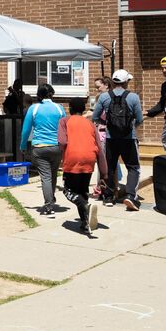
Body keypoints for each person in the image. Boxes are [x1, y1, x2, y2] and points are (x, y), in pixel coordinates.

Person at [93, 69, 144, 210]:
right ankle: (130, 196)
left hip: (110, 138)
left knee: (109, 167)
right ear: (126, 82)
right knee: (133, 167)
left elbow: (95, 116)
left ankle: (108, 197)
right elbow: (139, 119)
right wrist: (132, 127)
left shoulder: (104, 97)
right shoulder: (133, 97)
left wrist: (107, 124)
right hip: (128, 138)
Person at [21, 84, 66, 213]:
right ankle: (51, 198)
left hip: (39, 147)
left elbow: (26, 130)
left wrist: (23, 145)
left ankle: (48, 205)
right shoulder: (59, 108)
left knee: (45, 176)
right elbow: (64, 129)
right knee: (52, 174)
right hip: (56, 147)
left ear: (38, 95)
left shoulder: (33, 109)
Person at [59, 97, 100, 235]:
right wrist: (104, 171)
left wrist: (61, 157)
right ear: (83, 109)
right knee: (82, 191)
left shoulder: (64, 121)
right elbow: (99, 146)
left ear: (70, 108)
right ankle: (85, 223)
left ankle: (84, 205)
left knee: (68, 191)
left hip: (73, 158)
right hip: (89, 159)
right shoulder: (90, 124)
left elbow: (62, 141)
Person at [89, 76, 112, 200]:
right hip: (106, 132)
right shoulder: (105, 97)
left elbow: (95, 115)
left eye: (98, 87)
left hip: (103, 133)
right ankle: (105, 187)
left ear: (106, 85)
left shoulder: (105, 98)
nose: (97, 90)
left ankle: (102, 188)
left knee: (103, 162)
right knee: (107, 162)